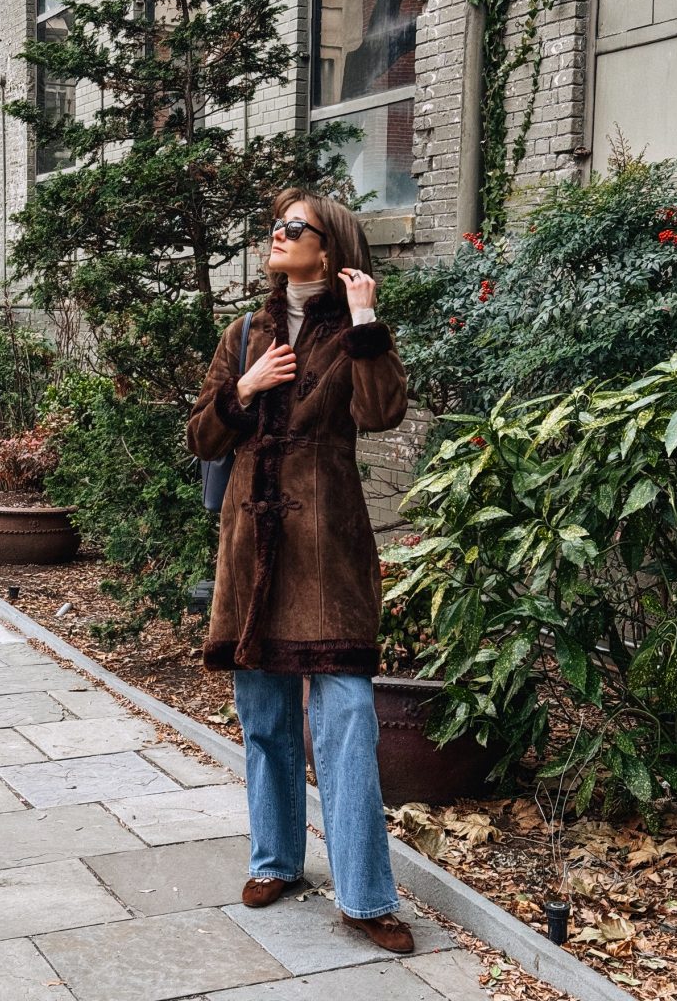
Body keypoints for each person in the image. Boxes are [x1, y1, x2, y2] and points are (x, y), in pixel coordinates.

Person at [186, 188, 412, 953]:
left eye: (293, 228)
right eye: (276, 227)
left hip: (327, 553)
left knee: (346, 719)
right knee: (266, 722)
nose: (276, 237)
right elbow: (201, 439)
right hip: (249, 551)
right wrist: (242, 390)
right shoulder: (244, 331)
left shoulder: (354, 330)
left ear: (330, 247)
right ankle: (275, 861)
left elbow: (382, 414)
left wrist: (366, 324)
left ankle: (365, 896)